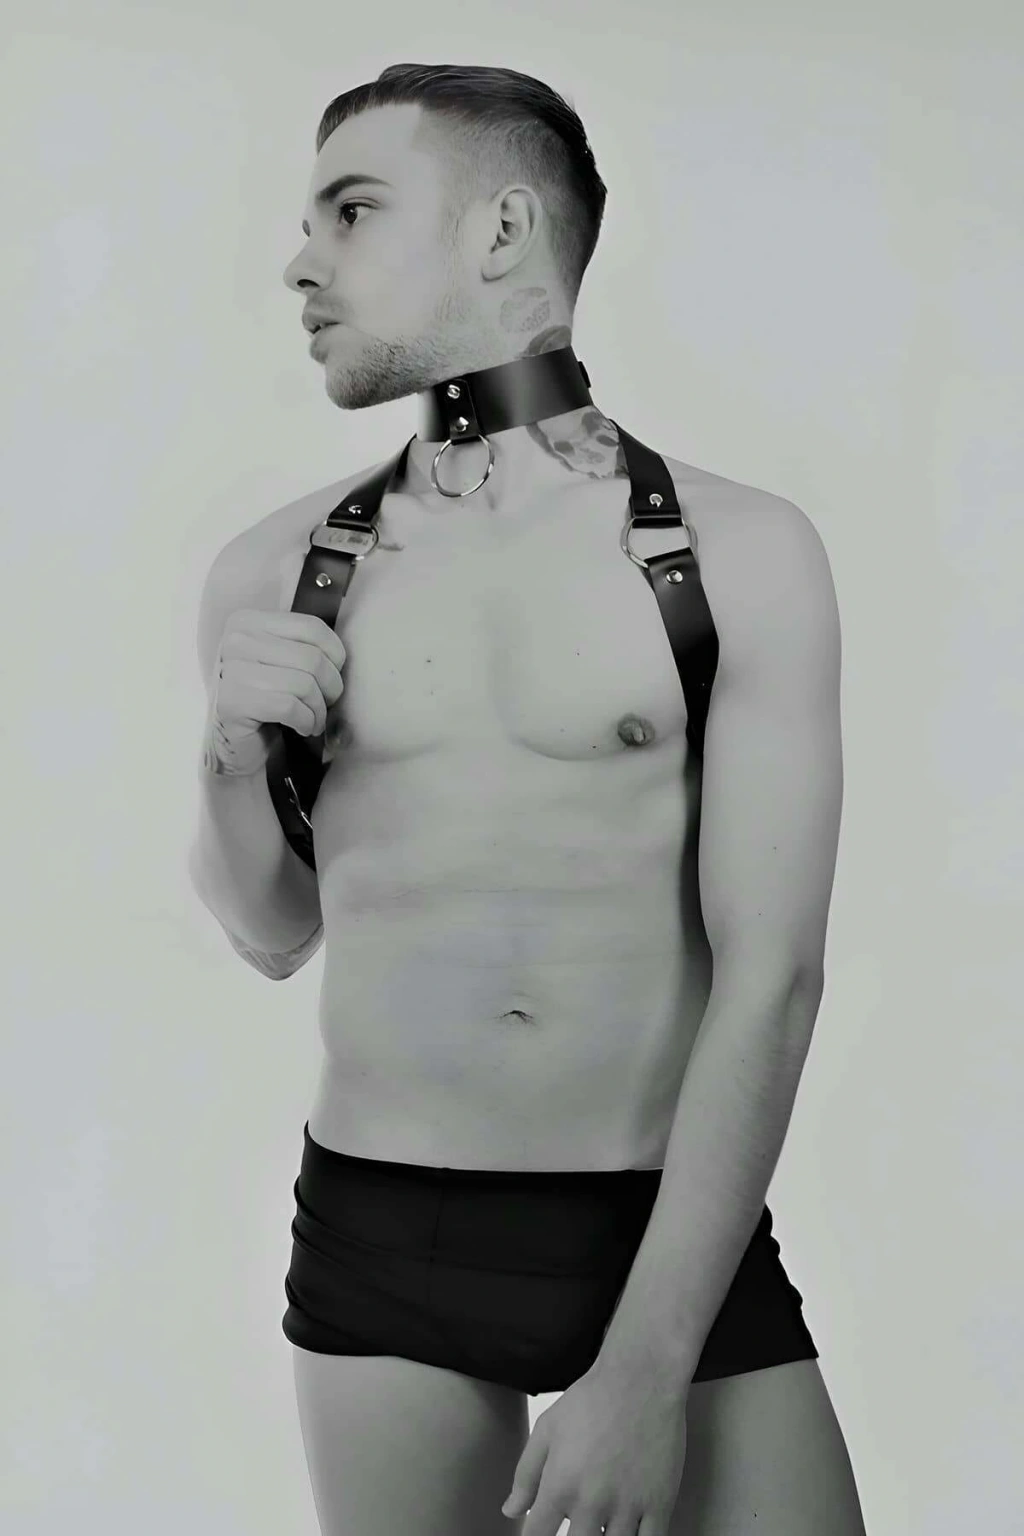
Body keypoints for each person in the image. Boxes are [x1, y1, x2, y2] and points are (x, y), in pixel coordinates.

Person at [189, 63, 865, 1536]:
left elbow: (776, 976)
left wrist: (648, 1368)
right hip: (384, 1232)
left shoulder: (740, 553)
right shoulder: (278, 571)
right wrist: (235, 757)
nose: (298, 262)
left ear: (501, 230)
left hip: (667, 1227)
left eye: (351, 211)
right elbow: (271, 931)